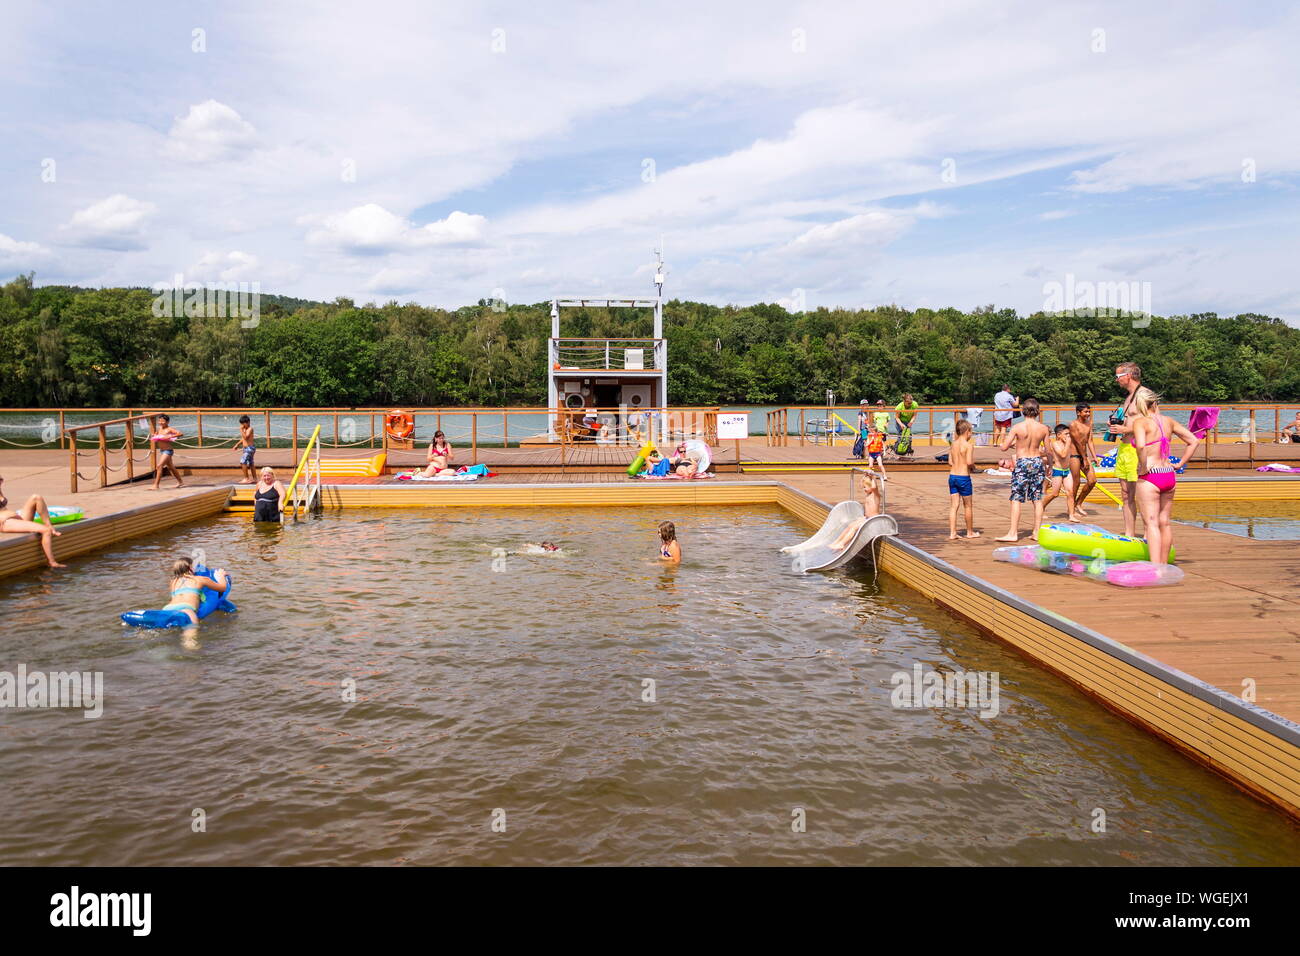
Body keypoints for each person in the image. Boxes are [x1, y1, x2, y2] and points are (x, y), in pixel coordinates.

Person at [1131, 387, 1200, 565]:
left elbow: (1140, 446)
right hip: (1168, 474)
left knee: (1151, 523)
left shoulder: (1141, 422)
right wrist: (1180, 463)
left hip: (1150, 476)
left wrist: (1143, 466)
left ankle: (1155, 567)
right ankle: (1163, 566)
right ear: (1155, 402)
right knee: (1165, 522)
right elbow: (1193, 440)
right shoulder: (1168, 421)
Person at [995, 397, 1050, 542]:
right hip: (1037, 462)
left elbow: (1003, 447)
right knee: (1037, 499)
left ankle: (1013, 533)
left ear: (1023, 410)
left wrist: (1015, 443)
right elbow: (1049, 451)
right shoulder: (1043, 428)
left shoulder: (1017, 427)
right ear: (1037, 411)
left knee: (1016, 498)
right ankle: (1037, 532)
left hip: (1022, 462)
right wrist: (1049, 466)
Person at [1104, 362, 1143, 536]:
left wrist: (1125, 429)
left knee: (1142, 494)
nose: (1116, 380)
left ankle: (1149, 534)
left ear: (1128, 376)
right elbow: (1132, 421)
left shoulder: (1144, 396)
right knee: (1126, 494)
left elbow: (1153, 425)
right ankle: (1129, 533)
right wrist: (1118, 425)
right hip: (1125, 448)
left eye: (1118, 376)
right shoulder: (1129, 397)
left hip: (1137, 448)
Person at [0, 476, 66, 568]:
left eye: (1, 480)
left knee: (36, 497)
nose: (1, 482)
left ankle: (50, 525)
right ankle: (52, 562)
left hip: (15, 519)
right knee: (45, 531)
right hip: (5, 523)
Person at [164, 556, 230, 646]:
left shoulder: (173, 582)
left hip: (168, 609)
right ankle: (190, 645)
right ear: (191, 568)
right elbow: (222, 588)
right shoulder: (200, 579)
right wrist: (221, 576)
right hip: (187, 609)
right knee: (191, 628)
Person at [1040, 424, 1079, 522]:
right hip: (1057, 471)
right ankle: (1041, 507)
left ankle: (1071, 515)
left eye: (1069, 434)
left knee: (1070, 493)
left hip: (1067, 471)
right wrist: (1068, 444)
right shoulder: (1055, 444)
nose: (1068, 436)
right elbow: (1062, 454)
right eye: (1066, 434)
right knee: (1055, 494)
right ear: (1058, 435)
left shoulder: (1068, 443)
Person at [947, 420, 978, 539]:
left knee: (954, 506)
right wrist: (974, 467)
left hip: (952, 476)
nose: (971, 435)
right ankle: (970, 532)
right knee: (968, 506)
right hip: (963, 477)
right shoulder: (968, 445)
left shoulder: (953, 444)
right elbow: (969, 462)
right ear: (967, 431)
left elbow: (950, 462)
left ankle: (952, 533)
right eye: (971, 432)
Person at [1067, 403, 1100, 515]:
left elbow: (1089, 441)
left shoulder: (1089, 423)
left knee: (1092, 481)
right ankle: (1071, 508)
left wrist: (1094, 457)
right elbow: (1077, 443)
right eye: (1085, 412)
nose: (1088, 414)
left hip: (1084, 455)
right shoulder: (1073, 424)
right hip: (1074, 455)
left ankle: (1078, 503)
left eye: (1089, 411)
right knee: (1076, 482)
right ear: (1078, 412)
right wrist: (1084, 458)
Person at [149, 415, 184, 490]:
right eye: (159, 421)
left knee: (159, 466)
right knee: (171, 467)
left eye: (163, 421)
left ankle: (156, 485)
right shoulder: (159, 429)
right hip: (162, 451)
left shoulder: (169, 429)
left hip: (168, 450)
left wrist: (169, 437)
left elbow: (180, 433)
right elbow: (157, 437)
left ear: (167, 422)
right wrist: (155, 436)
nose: (160, 422)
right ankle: (180, 482)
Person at [237, 415, 257, 484]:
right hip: (246, 448)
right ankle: (255, 478)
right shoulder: (245, 429)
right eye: (241, 424)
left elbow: (246, 437)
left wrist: (241, 430)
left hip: (249, 448)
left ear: (248, 422)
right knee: (251, 463)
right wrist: (237, 444)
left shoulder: (250, 429)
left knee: (243, 462)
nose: (242, 425)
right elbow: (243, 439)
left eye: (243, 423)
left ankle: (246, 478)